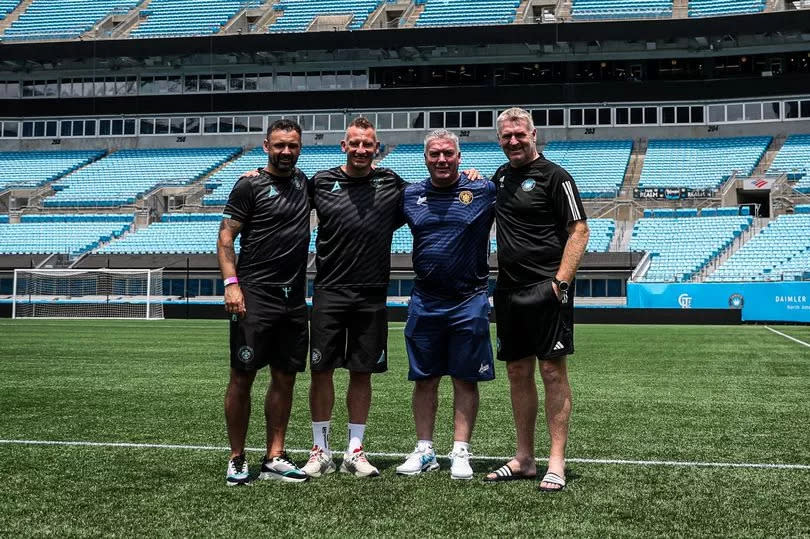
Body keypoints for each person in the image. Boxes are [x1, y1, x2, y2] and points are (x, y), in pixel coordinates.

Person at [484, 107, 589, 492]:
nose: (513, 141)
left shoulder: (556, 177)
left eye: (519, 134)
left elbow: (579, 230)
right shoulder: (498, 177)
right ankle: (525, 458)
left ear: (533, 135)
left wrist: (560, 282)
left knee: (552, 372)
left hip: (547, 289)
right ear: (499, 140)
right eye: (506, 136)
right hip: (509, 290)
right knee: (517, 372)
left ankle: (556, 462)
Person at [300, 117, 407, 478]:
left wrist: (468, 175)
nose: (361, 149)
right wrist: (256, 172)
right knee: (321, 370)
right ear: (343, 146)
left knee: (362, 373)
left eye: (368, 144)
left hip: (372, 294)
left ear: (376, 148)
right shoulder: (321, 182)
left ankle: (355, 451)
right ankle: (320, 450)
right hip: (329, 290)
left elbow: (434, 191)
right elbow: (283, 188)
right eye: (355, 143)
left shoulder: (391, 182)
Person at [395, 129, 496, 480]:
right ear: (425, 158)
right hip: (425, 300)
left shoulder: (482, 189)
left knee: (465, 379)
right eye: (435, 154)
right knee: (424, 379)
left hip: (468, 299)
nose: (442, 159)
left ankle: (460, 451)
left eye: (448, 153)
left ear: (459, 157)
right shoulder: (410, 195)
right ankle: (425, 450)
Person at [218, 119, 310, 486]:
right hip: (254, 295)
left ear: (300, 147)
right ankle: (237, 457)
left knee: (285, 378)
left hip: (293, 299)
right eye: (279, 145)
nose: (285, 152)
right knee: (242, 376)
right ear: (265, 146)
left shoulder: (306, 183)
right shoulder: (249, 185)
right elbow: (225, 239)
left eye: (292, 145)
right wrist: (231, 284)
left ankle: (275, 455)